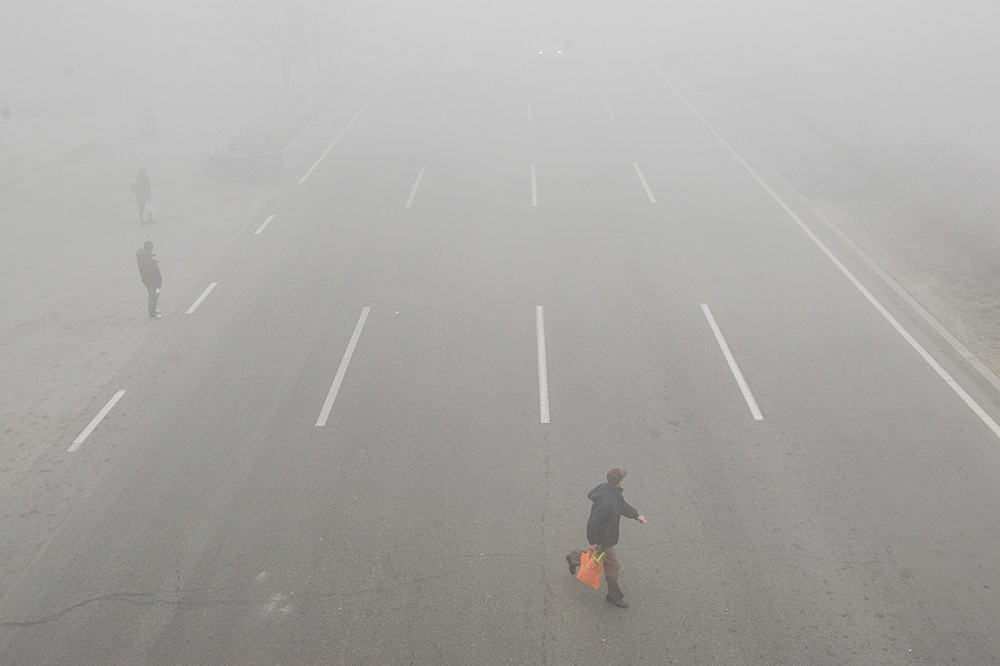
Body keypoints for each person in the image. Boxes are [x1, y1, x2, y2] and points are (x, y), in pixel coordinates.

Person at [566, 468, 646, 608]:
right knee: (613, 566)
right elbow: (593, 523)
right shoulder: (606, 502)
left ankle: (574, 558)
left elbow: (622, 506)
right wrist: (592, 542)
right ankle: (614, 596)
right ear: (619, 482)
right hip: (603, 539)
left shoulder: (611, 491)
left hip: (605, 536)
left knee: (596, 556)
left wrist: (636, 515)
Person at [136, 241, 162, 319]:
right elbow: (153, 272)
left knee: (151, 295)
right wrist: (158, 283)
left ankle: (151, 309)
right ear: (151, 249)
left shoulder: (142, 257)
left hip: (146, 280)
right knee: (154, 295)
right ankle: (152, 314)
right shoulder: (148, 260)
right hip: (152, 281)